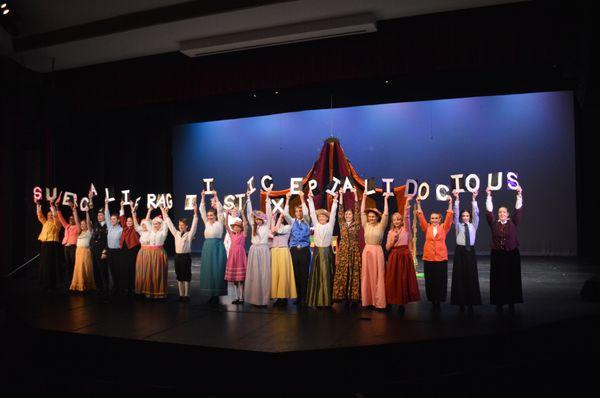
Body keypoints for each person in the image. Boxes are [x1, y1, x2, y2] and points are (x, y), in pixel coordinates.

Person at [486, 186, 524, 313]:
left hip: (511, 254)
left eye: (504, 212)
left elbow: (518, 210)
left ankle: (512, 301)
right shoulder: (493, 223)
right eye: (500, 212)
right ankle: (499, 302)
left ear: (507, 214)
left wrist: (519, 195)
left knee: (511, 278)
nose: (501, 214)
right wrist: (489, 195)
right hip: (497, 255)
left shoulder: (513, 222)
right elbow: (489, 211)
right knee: (498, 279)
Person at [416, 195, 454, 312]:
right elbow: (420, 216)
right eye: (432, 218)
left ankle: (439, 300)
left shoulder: (444, 228)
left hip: (441, 258)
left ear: (439, 219)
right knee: (430, 280)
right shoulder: (426, 227)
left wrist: (450, 203)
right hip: (429, 258)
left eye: (436, 218)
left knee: (440, 280)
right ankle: (432, 300)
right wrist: (418, 203)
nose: (433, 220)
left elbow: (449, 217)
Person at [385, 195, 420, 314]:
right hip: (394, 256)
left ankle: (401, 303)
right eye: (394, 220)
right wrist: (393, 240)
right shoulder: (390, 232)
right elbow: (387, 247)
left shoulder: (406, 230)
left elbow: (407, 217)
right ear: (392, 221)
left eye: (398, 219)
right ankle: (390, 301)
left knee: (403, 279)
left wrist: (406, 206)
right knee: (392, 280)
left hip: (404, 256)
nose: (396, 221)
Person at [306, 190, 338, 308]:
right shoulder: (316, 225)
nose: (321, 218)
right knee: (317, 275)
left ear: (327, 218)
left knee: (326, 275)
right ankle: (317, 299)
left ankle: (327, 300)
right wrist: (310, 199)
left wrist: (335, 200)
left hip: (327, 252)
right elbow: (312, 214)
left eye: (323, 216)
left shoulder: (330, 225)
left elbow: (333, 213)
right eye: (320, 216)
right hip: (318, 253)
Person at [451, 190, 482, 312]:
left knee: (471, 276)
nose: (465, 217)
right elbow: (455, 213)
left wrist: (474, 199)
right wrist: (457, 199)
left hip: (470, 252)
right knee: (460, 277)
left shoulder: (473, 225)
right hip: (460, 252)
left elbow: (476, 213)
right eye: (463, 216)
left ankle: (471, 302)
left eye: (467, 215)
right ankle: (461, 303)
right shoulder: (458, 226)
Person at [360, 191, 390, 310]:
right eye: (370, 217)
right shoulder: (365, 225)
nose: (371, 218)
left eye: (373, 216)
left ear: (377, 217)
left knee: (378, 276)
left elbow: (386, 214)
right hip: (367, 251)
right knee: (366, 275)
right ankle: (367, 300)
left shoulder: (381, 225)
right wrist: (364, 198)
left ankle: (379, 302)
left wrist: (386, 199)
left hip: (377, 251)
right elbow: (362, 212)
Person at [163, 203, 198, 302]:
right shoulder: (176, 233)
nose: (180, 226)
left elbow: (194, 226)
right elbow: (170, 225)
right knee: (179, 275)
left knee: (186, 275)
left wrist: (195, 213)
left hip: (186, 257)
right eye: (179, 225)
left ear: (186, 226)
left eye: (182, 225)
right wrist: (166, 214)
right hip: (177, 257)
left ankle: (187, 295)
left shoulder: (189, 235)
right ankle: (181, 294)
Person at [333, 187, 362, 307]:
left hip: (354, 250)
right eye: (346, 214)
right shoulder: (341, 223)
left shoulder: (357, 223)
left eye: (350, 214)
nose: (348, 215)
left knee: (354, 273)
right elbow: (340, 210)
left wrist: (355, 193)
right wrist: (340, 195)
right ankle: (342, 296)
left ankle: (354, 297)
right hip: (344, 250)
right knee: (343, 272)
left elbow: (357, 208)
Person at [198, 191, 228, 306]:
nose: (209, 217)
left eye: (211, 215)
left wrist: (216, 196)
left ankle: (216, 295)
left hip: (217, 248)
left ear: (215, 215)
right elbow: (201, 210)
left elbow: (220, 209)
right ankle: (211, 294)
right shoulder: (207, 223)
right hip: (207, 248)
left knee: (217, 271)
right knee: (209, 271)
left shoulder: (220, 222)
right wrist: (202, 197)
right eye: (208, 216)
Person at [244, 189, 273, 307]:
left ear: (263, 219)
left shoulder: (266, 226)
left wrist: (267, 198)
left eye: (259, 218)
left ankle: (264, 300)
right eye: (256, 218)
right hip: (254, 250)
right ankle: (254, 299)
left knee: (264, 274)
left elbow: (269, 214)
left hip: (263, 250)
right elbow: (249, 213)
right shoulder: (253, 226)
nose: (257, 220)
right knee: (254, 274)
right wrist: (248, 199)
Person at [283, 191, 311, 307]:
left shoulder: (307, 221)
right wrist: (288, 199)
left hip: (304, 251)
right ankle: (298, 297)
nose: (299, 213)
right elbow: (285, 214)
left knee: (304, 274)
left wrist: (302, 197)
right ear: (294, 213)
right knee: (296, 274)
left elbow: (306, 211)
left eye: (300, 211)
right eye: (297, 211)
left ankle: (304, 297)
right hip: (294, 251)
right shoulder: (292, 221)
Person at [134, 206, 169, 299]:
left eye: (157, 224)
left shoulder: (163, 232)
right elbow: (145, 222)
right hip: (150, 254)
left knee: (158, 274)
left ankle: (158, 292)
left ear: (160, 225)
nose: (155, 225)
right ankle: (150, 291)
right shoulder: (151, 231)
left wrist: (164, 212)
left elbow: (166, 223)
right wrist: (149, 211)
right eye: (153, 224)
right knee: (150, 274)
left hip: (159, 254)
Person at [270, 206, 296, 307]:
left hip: (283, 251)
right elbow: (273, 230)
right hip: (275, 251)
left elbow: (276, 230)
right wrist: (273, 218)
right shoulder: (277, 225)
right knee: (276, 274)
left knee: (283, 275)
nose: (279, 219)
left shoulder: (288, 227)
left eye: (281, 218)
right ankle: (277, 297)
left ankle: (284, 297)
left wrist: (279, 218)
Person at [35, 196, 62, 292]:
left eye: (51, 215)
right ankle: (45, 283)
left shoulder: (57, 224)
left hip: (52, 245)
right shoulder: (45, 223)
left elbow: (55, 215)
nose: (50, 216)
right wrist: (38, 205)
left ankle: (52, 284)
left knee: (51, 265)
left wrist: (52, 206)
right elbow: (39, 215)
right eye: (49, 215)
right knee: (44, 264)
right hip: (44, 245)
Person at [70, 205, 96, 292]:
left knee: (85, 268)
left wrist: (87, 212)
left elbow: (88, 222)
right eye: (81, 224)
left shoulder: (89, 232)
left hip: (86, 252)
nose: (82, 225)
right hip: (78, 252)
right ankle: (78, 285)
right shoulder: (80, 232)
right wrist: (74, 211)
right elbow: (77, 221)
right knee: (78, 268)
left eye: (83, 224)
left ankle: (86, 286)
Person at [223, 210, 248, 304]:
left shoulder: (243, 235)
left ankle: (242, 298)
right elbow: (226, 225)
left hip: (240, 257)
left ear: (240, 228)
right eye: (235, 227)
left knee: (240, 279)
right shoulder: (231, 234)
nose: (236, 228)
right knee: (234, 279)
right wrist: (227, 214)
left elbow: (245, 224)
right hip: (233, 256)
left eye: (238, 227)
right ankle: (236, 297)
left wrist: (242, 214)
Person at [88, 195, 109, 301]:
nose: (99, 217)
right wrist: (91, 199)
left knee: (103, 270)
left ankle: (106, 288)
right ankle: (99, 288)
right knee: (96, 270)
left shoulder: (107, 226)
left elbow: (107, 240)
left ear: (105, 216)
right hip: (94, 250)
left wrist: (105, 250)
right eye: (98, 215)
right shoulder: (96, 223)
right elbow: (91, 214)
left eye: (101, 215)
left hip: (102, 250)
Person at [56, 194, 79, 288]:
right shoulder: (67, 226)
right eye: (70, 219)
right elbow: (61, 219)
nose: (71, 220)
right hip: (66, 246)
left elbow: (77, 219)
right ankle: (68, 281)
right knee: (68, 264)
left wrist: (73, 209)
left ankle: (75, 280)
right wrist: (57, 208)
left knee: (73, 264)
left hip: (73, 246)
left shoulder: (77, 227)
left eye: (72, 219)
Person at [118, 200, 141, 295]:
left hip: (133, 250)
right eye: (128, 221)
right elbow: (122, 217)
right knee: (124, 269)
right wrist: (122, 206)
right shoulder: (124, 227)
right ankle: (125, 286)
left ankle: (132, 287)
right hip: (124, 250)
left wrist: (132, 207)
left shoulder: (136, 228)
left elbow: (135, 218)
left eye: (130, 221)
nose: (128, 222)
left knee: (132, 269)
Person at [104, 199, 123, 296]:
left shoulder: (121, 229)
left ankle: (119, 288)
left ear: (118, 220)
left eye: (114, 219)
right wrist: (106, 204)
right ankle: (115, 287)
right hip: (110, 251)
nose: (111, 221)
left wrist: (121, 207)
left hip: (118, 252)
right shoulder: (110, 227)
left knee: (118, 270)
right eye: (111, 219)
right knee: (111, 270)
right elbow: (106, 215)